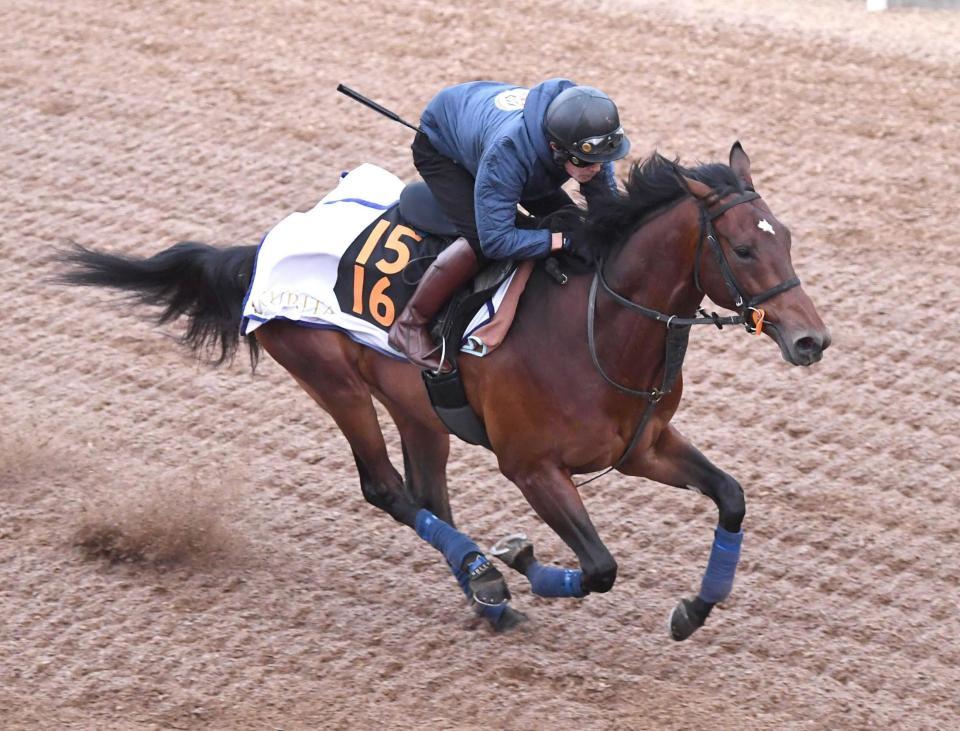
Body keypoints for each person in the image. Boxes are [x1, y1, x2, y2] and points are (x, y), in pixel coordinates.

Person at [387, 78, 631, 370]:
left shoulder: (590, 139)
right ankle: (410, 324)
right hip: (445, 151)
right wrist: (561, 240)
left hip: (496, 140)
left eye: (603, 161)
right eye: (585, 163)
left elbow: (606, 215)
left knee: (570, 220)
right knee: (480, 240)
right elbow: (496, 240)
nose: (596, 169)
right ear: (556, 148)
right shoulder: (509, 151)